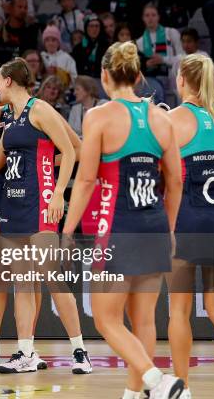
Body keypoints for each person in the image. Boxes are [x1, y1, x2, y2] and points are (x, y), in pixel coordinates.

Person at [62, 42, 185, 399]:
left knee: (105, 319)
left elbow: (85, 181)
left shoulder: (98, 116)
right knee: (143, 320)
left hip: (117, 227)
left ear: (104, 76)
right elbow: (175, 182)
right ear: (137, 75)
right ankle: (135, 393)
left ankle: (157, 382)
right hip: (155, 225)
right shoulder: (162, 118)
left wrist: (67, 231)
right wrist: (171, 229)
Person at [0, 58, 87, 374]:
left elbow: (73, 151)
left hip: (41, 202)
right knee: (22, 282)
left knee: (52, 278)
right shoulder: (11, 118)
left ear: (6, 81)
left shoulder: (40, 109)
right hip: (14, 205)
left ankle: (79, 352)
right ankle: (26, 352)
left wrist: (58, 190)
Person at [167, 54, 214, 399]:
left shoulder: (171, 120)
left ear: (182, 80)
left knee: (179, 309)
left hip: (186, 221)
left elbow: (160, 179)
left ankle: (182, 389)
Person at [136, 3, 184, 79]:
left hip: (174, 80)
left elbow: (183, 58)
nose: (150, 18)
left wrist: (163, 60)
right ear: (143, 18)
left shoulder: (171, 33)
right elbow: (138, 69)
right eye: (147, 15)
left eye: (153, 15)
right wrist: (146, 65)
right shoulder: (139, 42)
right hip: (152, 83)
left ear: (158, 17)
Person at [72, 14, 110, 79]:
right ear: (86, 28)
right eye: (91, 26)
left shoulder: (107, 47)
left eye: (97, 26)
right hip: (83, 82)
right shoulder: (78, 49)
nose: (94, 29)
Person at [41, 24, 77, 89]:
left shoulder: (67, 58)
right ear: (44, 43)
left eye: (54, 40)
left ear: (58, 42)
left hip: (63, 91)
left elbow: (74, 78)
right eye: (47, 40)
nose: (50, 43)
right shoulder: (40, 57)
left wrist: (59, 72)